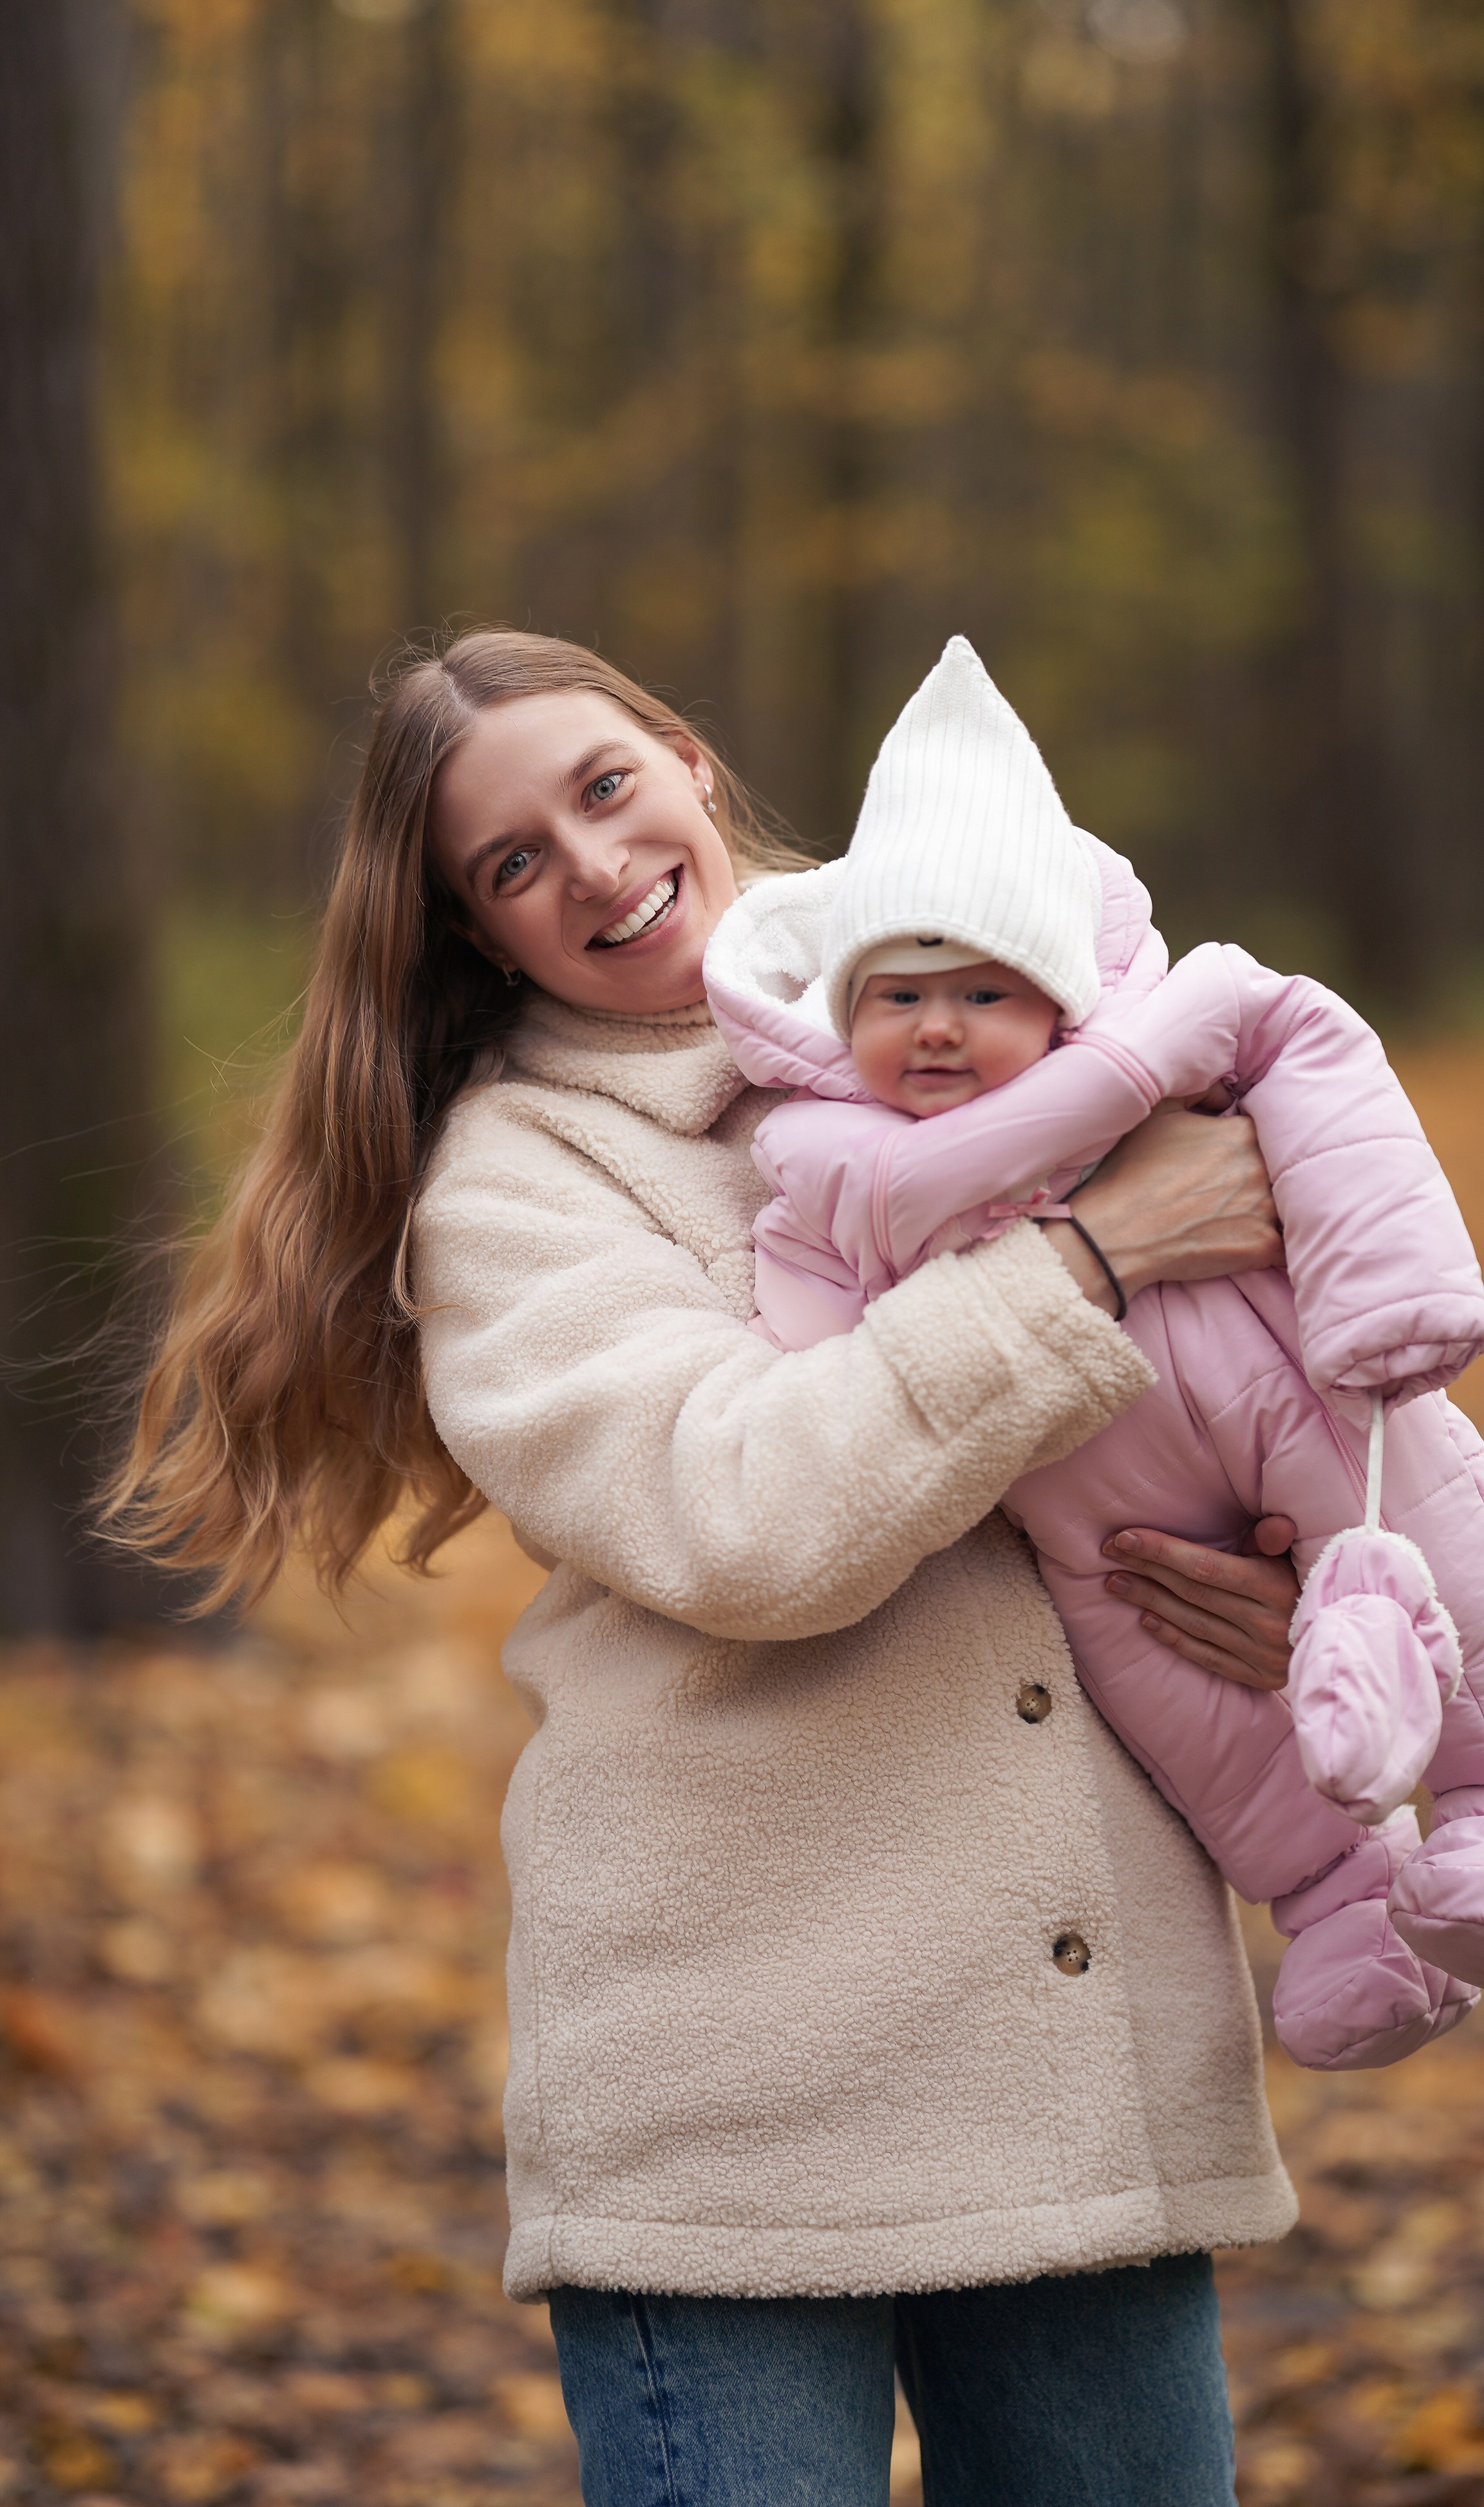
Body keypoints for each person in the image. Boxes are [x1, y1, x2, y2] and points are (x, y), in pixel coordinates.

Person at [109, 628, 1315, 2507]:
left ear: (680, 758)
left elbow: (1251, 1395)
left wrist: (1301, 1596)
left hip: (1071, 2056)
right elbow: (740, 1520)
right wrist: (1087, 1261)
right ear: (475, 937)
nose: (590, 867)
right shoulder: (516, 1185)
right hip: (734, 2116)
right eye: (511, 863)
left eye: (602, 789)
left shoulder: (988, 984)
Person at [704, 636, 1484, 2075]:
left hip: (1304, 1397)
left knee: (1440, 1553)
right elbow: (820, 1391)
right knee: (1200, 1719)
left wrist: (1396, 1296)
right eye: (898, 995)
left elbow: (1323, 1072)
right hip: (1103, 1523)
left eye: (986, 994)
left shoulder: (1182, 1047)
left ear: (1060, 1004)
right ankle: (1341, 1906)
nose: (937, 1024)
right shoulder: (819, 1175)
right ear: (844, 1015)